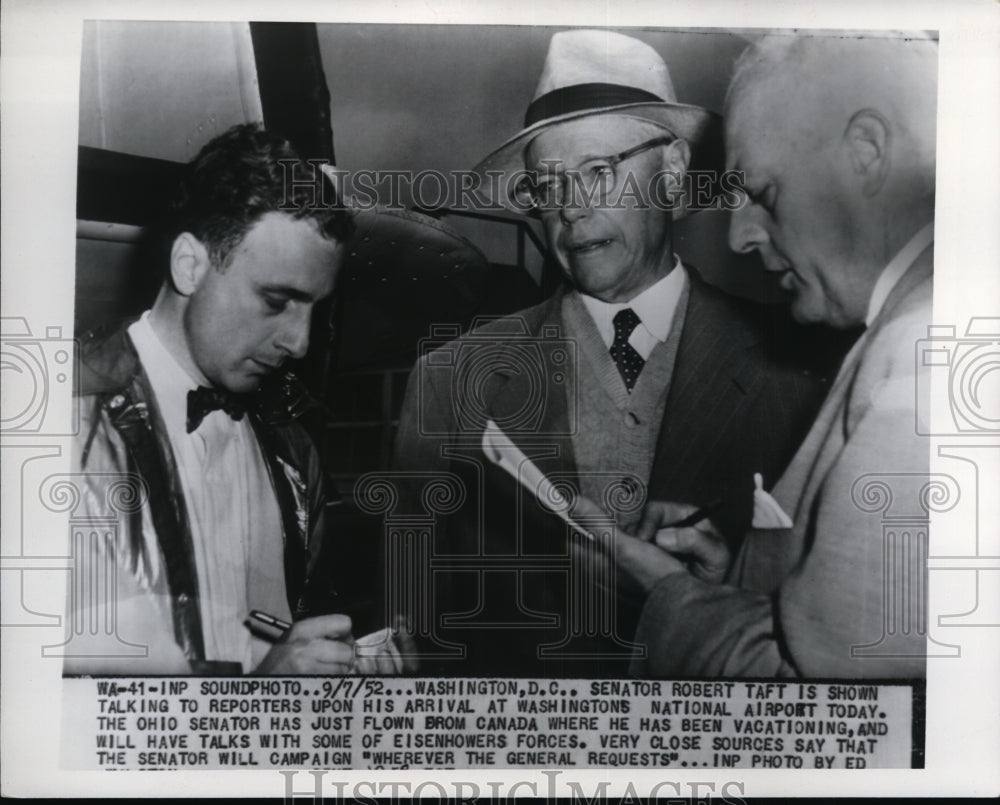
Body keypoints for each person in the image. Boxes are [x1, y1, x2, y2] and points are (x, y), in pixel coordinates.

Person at [392, 30, 831, 676]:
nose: (570, 209)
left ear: (673, 171)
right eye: (549, 185)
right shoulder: (450, 381)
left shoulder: (801, 374)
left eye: (598, 172)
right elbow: (413, 636)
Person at [622, 33, 938, 678]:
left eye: (762, 193)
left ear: (866, 150)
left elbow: (829, 702)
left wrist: (668, 594)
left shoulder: (923, 350)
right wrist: (737, 580)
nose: (738, 236)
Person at [67, 124, 405, 675]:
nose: (299, 343)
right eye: (276, 301)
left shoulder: (295, 449)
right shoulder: (61, 431)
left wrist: (339, 661)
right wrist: (257, 694)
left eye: (314, 310)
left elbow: (274, 628)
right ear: (189, 265)